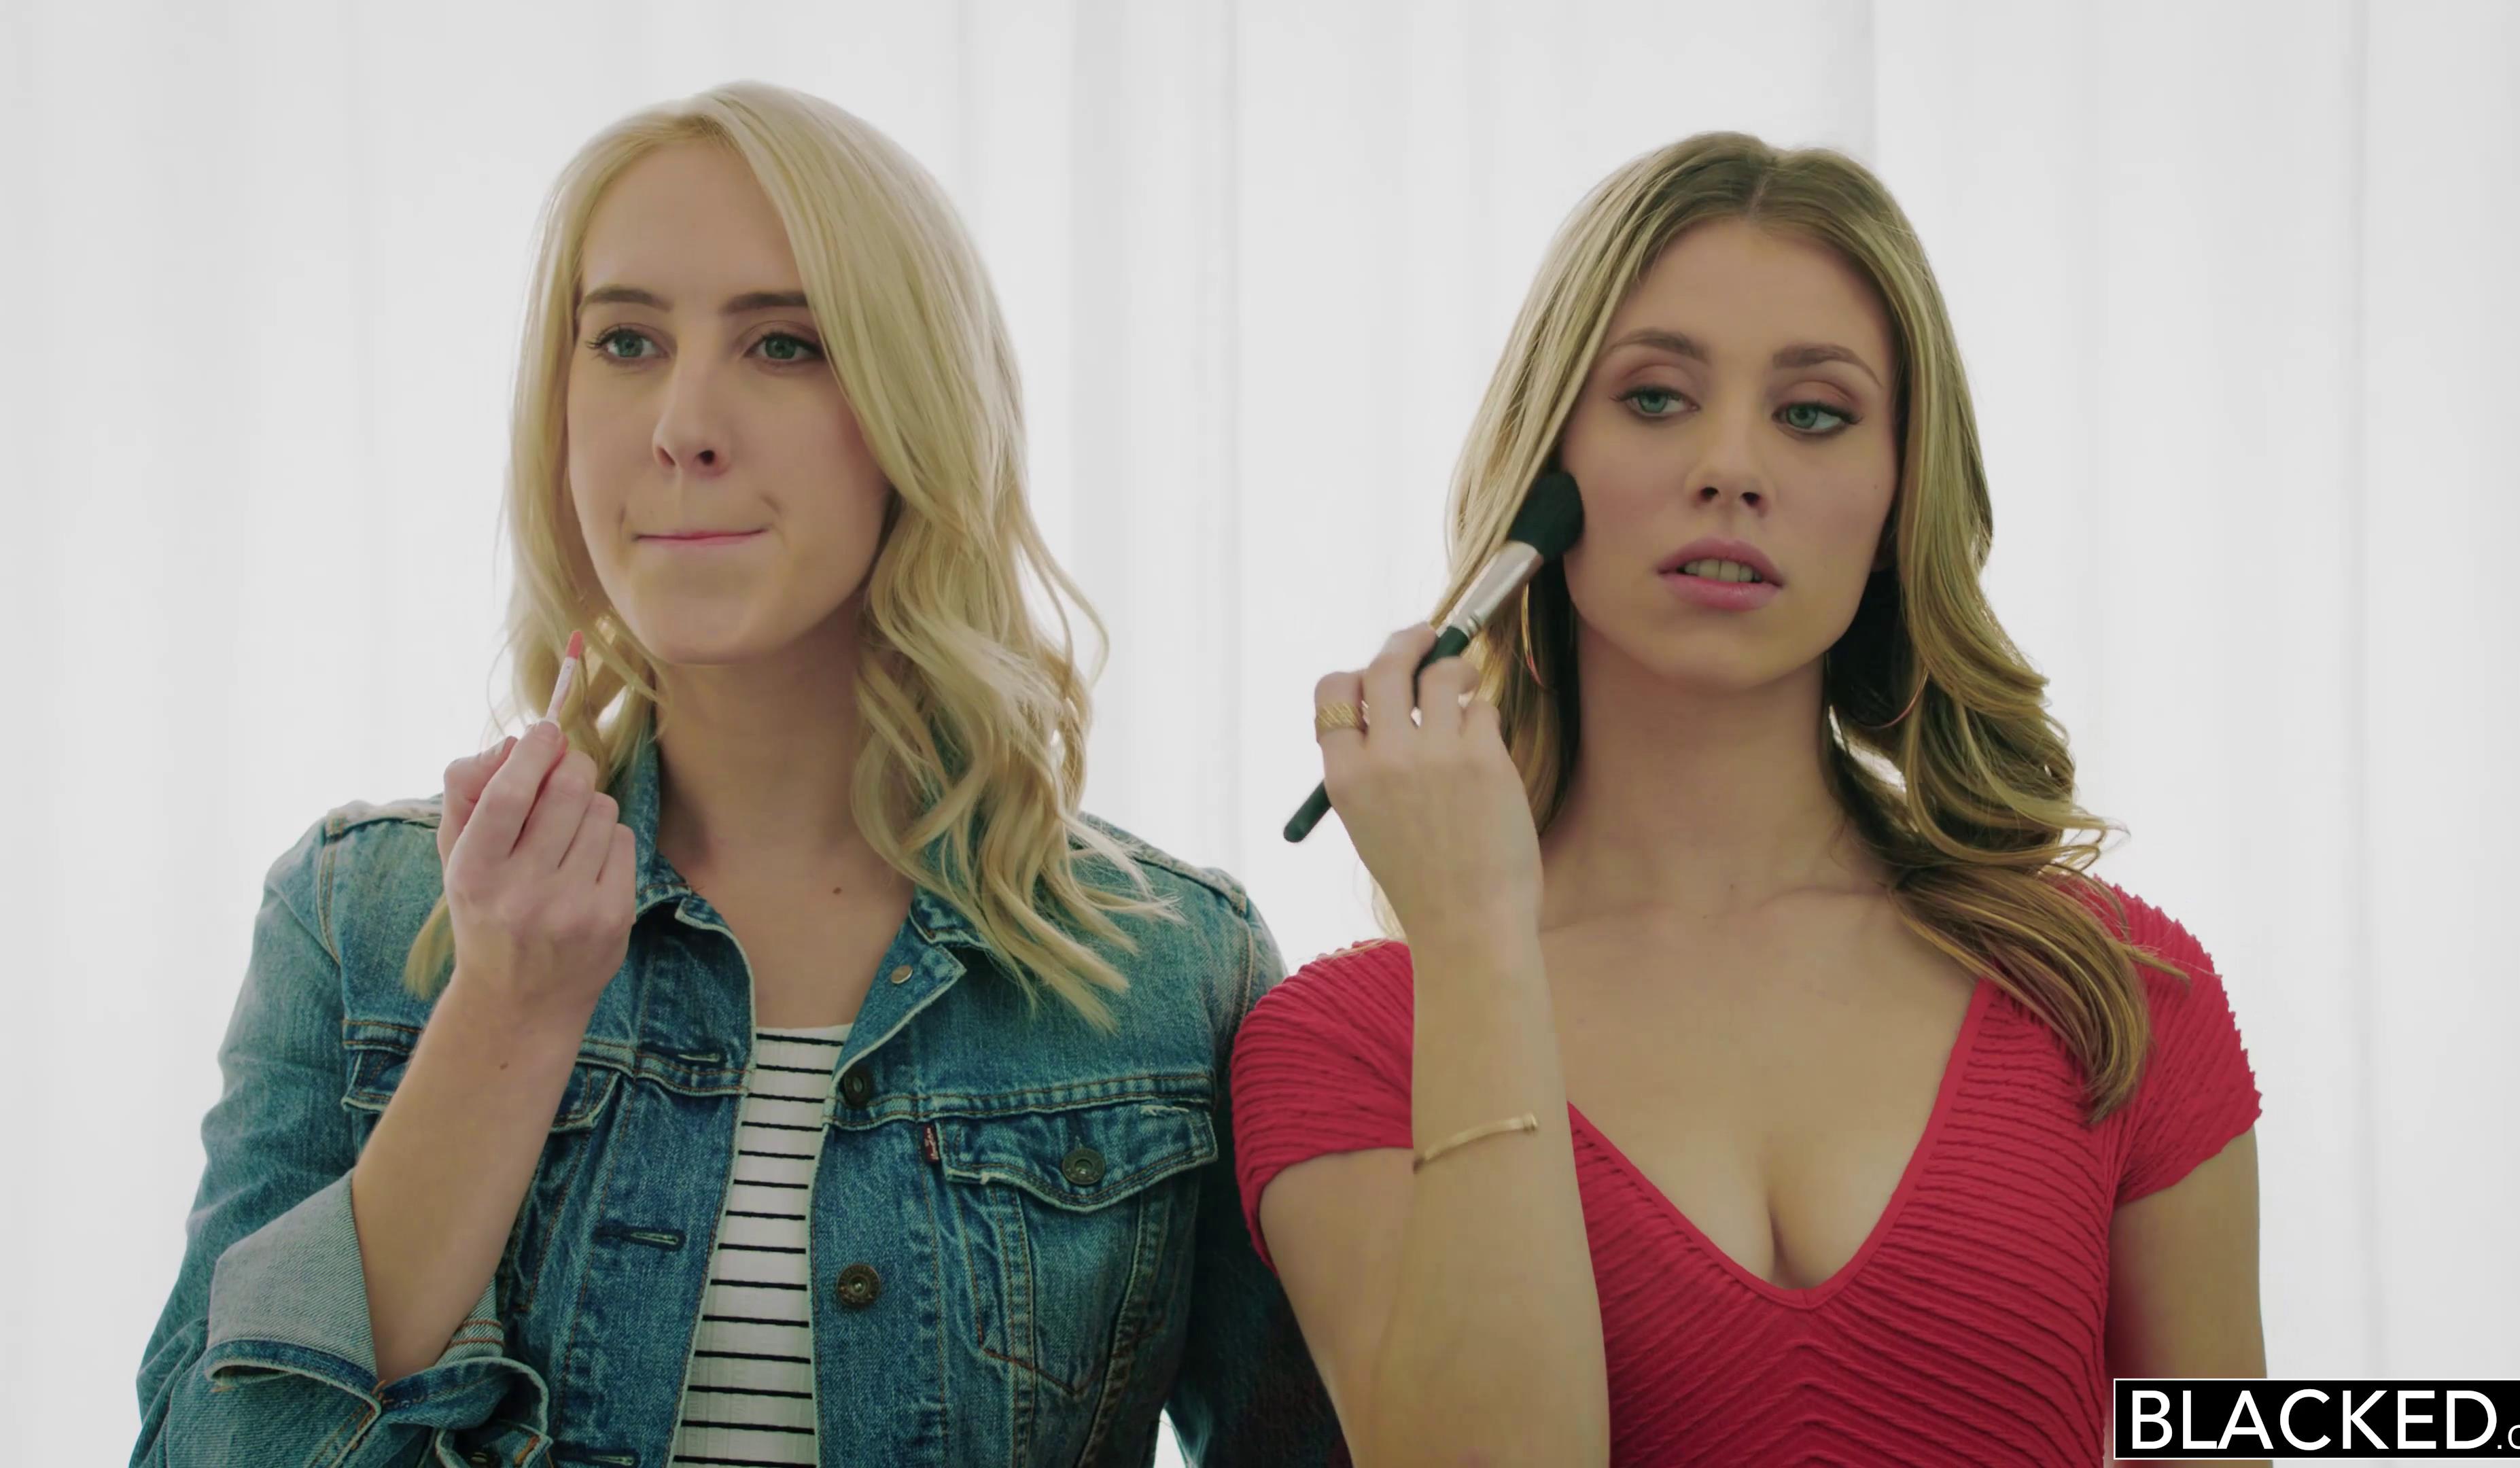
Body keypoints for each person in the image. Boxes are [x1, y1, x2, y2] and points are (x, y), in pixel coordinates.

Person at [134, 80, 1339, 1468]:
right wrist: (506, 1018)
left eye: (783, 344)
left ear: (918, 415)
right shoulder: (353, 922)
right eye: (627, 341)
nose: (683, 425)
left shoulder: (1172, 971)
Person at [1232, 130, 2267, 1467]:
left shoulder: (2117, 992)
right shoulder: (1348, 1048)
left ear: (1900, 497)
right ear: (1546, 479)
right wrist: (1477, 937)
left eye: (1814, 413)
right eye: (1656, 397)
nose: (1731, 466)